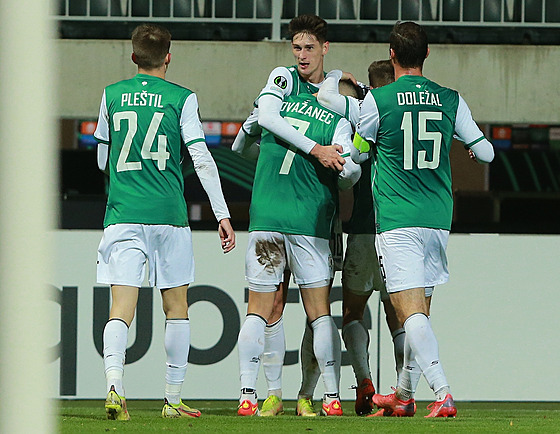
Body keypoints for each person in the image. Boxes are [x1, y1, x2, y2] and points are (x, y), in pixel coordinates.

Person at [94, 24, 236, 421]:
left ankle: (114, 387)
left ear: (134, 56)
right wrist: (222, 213)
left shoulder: (111, 95)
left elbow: (103, 159)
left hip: (123, 215)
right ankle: (172, 400)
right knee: (177, 308)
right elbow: (202, 159)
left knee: (121, 308)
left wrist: (124, 183)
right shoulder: (181, 99)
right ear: (169, 57)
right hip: (170, 218)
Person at [356, 21, 494, 418]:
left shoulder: (378, 100)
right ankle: (403, 395)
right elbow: (485, 154)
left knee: (409, 312)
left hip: (399, 218)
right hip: (437, 218)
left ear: (392, 55)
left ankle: (443, 392)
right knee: (421, 314)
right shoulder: (450, 98)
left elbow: (360, 153)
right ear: (428, 54)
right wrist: (470, 148)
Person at [233, 14, 351, 418]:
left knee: (260, 309)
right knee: (316, 311)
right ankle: (328, 397)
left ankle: (252, 393)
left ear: (324, 48)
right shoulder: (333, 112)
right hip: (305, 221)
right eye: (297, 48)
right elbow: (348, 172)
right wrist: (327, 155)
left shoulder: (281, 102)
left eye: (309, 48)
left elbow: (244, 141)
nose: (301, 56)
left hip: (269, 214)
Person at [317, 60, 405, 417]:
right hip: (400, 231)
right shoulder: (403, 120)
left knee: (353, 311)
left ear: (370, 85)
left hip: (364, 231)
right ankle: (403, 391)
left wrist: (339, 76)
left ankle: (365, 384)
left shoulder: (359, 118)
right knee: (399, 315)